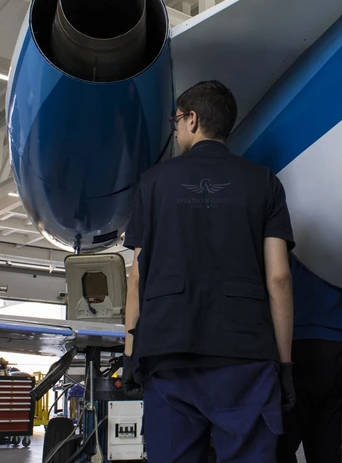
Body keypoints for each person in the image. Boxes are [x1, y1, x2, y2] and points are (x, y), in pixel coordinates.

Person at [121, 80, 297, 463]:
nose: (175, 128)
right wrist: (284, 365)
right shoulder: (264, 182)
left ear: (193, 119)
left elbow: (137, 275)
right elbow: (279, 279)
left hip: (169, 351)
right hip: (246, 354)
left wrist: (130, 354)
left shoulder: (152, 184)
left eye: (177, 120)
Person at [276, 256, 342, 463]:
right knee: (325, 443)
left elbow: (277, 280)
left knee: (282, 443)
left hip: (298, 342)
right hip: (339, 346)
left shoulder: (288, 242)